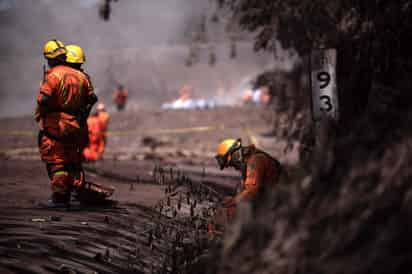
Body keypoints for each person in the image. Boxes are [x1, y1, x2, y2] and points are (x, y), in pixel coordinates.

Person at [35, 40, 110, 207]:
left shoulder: (53, 75)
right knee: (73, 161)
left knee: (57, 162)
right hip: (76, 126)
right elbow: (91, 99)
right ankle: (76, 191)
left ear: (50, 58)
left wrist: (45, 112)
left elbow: (44, 100)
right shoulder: (83, 76)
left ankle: (60, 197)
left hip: (56, 125)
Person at [214, 138, 284, 218]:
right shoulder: (249, 163)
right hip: (269, 201)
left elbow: (251, 191)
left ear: (235, 156)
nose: (234, 168)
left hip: (276, 206)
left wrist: (233, 201)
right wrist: (233, 199)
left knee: (233, 212)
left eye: (232, 164)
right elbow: (244, 189)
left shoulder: (255, 161)